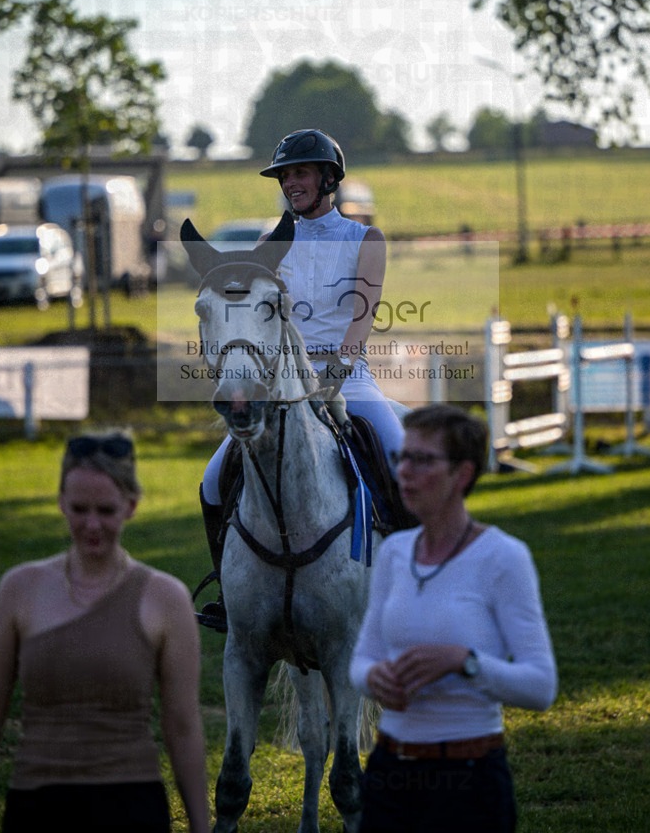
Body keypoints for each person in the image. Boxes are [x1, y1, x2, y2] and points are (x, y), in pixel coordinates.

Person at [198, 129, 404, 626]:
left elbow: (363, 315)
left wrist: (335, 374)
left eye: (301, 173)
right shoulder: (270, 243)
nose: (291, 182)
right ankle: (231, 593)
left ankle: (412, 587)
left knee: (400, 457)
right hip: (283, 381)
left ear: (328, 177)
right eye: (285, 175)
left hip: (349, 380)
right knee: (211, 480)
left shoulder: (365, 239)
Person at [0, 432, 210, 833]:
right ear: (60, 504)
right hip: (37, 804)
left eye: (106, 510)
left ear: (132, 506)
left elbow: (183, 724)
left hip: (131, 803)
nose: (92, 525)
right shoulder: (19, 589)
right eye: (79, 509)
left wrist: (200, 824)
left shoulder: (165, 597)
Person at [349, 404, 558, 833]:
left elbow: (541, 687)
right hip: (388, 770)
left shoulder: (503, 558)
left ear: (462, 475)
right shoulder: (393, 553)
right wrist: (376, 680)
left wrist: (464, 661)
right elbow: (360, 662)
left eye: (422, 460)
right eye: (402, 457)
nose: (404, 471)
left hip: (468, 776)